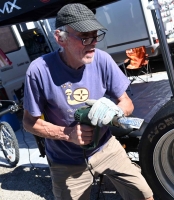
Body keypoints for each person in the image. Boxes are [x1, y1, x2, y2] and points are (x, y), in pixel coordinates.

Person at [22, 3, 154, 200]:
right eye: (84, 37)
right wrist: (67, 134)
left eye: (95, 35)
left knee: (144, 194)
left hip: (106, 147)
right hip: (65, 160)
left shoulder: (102, 60)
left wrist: (115, 112)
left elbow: (126, 102)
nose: (93, 43)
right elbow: (28, 123)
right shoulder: (39, 70)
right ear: (60, 38)